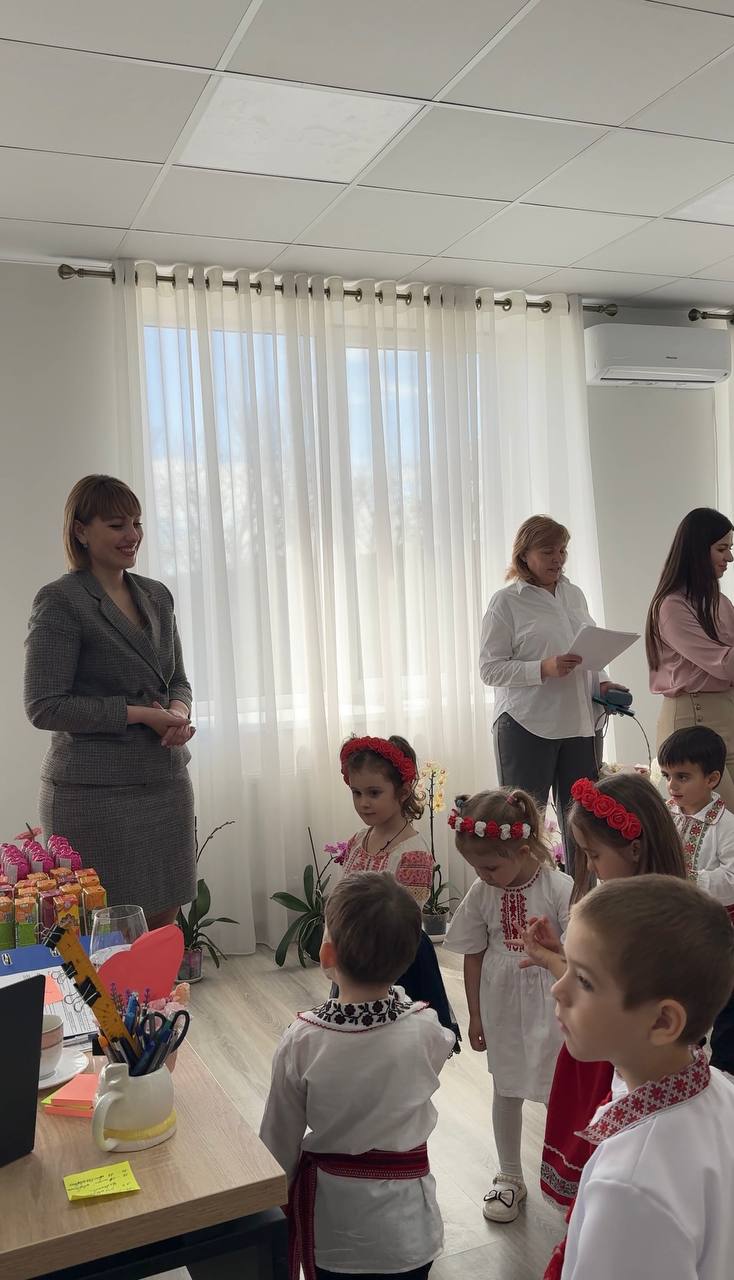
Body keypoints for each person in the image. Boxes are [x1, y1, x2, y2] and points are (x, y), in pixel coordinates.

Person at [259, 872, 455, 1280]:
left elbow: (278, 1139)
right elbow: (438, 1043)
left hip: (337, 1232)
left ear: (326, 954)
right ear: (409, 958)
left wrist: (270, 1204)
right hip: (411, 1231)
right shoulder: (424, 1028)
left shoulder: (303, 1040)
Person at [23, 475, 196, 929]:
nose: (132, 535)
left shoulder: (156, 595)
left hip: (165, 783)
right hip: (94, 795)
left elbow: (177, 680)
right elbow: (44, 705)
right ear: (81, 531)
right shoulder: (60, 601)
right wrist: (141, 716)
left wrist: (177, 713)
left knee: (163, 923)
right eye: (117, 525)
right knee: (103, 932)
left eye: (136, 523)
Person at [550, 876, 734, 1280]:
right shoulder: (719, 1089)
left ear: (663, 1021)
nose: (557, 990)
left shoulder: (630, 1188)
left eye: (584, 980)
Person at [522, 773, 686, 1212]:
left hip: (623, 1059)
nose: (590, 866)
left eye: (594, 854)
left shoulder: (644, 921)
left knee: (617, 1162)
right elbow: (595, 984)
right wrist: (560, 956)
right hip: (603, 1051)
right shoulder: (631, 905)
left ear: (634, 848)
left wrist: (558, 964)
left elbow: (607, 997)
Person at [443, 787, 573, 1223]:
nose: (483, 875)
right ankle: (509, 1176)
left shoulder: (558, 888)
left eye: (490, 866)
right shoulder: (483, 892)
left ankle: (570, 1174)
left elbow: (576, 952)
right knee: (506, 1085)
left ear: (522, 850)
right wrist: (475, 1015)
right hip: (501, 1002)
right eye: (476, 867)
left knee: (558, 1087)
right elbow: (473, 951)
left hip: (552, 1001)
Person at [480, 514, 625, 876]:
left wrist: (604, 682)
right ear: (524, 555)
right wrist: (542, 668)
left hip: (580, 723)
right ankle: (525, 898)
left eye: (562, 551)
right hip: (527, 725)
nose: (558, 559)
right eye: (548, 552)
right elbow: (489, 669)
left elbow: (589, 650)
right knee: (522, 825)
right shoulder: (505, 602)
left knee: (584, 824)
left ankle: (582, 900)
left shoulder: (574, 595)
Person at [337, 735, 460, 1046]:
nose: (363, 802)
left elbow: (404, 920)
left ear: (403, 792)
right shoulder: (358, 840)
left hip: (395, 962)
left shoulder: (411, 853)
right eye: (356, 793)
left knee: (395, 1042)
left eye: (374, 793)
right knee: (358, 1040)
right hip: (354, 957)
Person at [647, 507, 734, 812]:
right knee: (716, 820)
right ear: (698, 550)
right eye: (721, 549)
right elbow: (724, 663)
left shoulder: (721, 603)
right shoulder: (672, 606)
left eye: (730, 548)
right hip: (691, 718)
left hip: (727, 713)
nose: (729, 557)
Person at [659, 725, 734, 1075]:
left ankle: (723, 1073)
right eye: (667, 776)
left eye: (683, 777)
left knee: (722, 1003)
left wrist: (689, 877)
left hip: (717, 934)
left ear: (712, 779)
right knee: (680, 996)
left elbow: (732, 880)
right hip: (674, 928)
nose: (672, 786)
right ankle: (683, 1062)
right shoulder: (668, 816)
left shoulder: (726, 825)